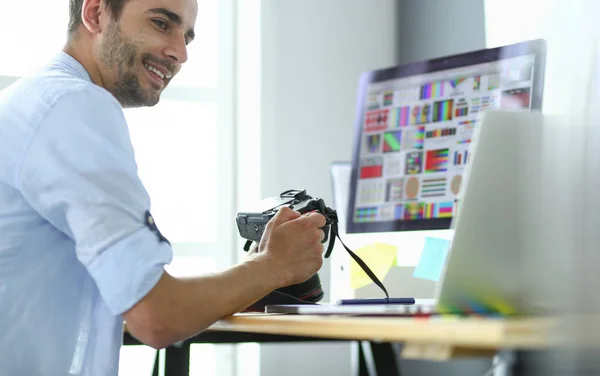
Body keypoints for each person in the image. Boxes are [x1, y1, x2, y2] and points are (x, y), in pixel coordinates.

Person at [0, 0, 326, 374]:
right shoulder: (75, 105)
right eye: (160, 23)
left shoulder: (31, 99)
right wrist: (274, 266)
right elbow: (157, 316)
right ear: (95, 14)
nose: (181, 52)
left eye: (187, 36)